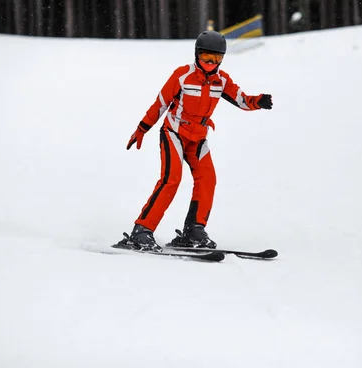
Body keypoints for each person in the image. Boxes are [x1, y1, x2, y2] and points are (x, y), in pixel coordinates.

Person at [117, 30, 273, 252]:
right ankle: (141, 230)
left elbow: (242, 100)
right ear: (196, 55)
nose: (211, 63)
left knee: (208, 179)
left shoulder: (222, 80)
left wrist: (258, 101)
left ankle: (194, 230)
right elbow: (160, 103)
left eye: (217, 59)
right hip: (174, 133)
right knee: (171, 179)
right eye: (206, 58)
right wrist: (142, 129)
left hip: (198, 138)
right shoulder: (182, 75)